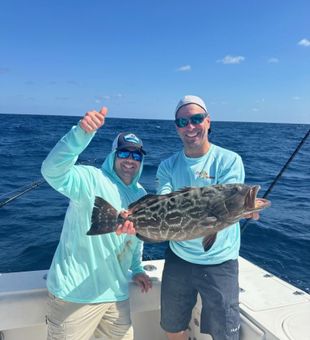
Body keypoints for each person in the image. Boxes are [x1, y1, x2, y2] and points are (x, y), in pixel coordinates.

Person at [41, 107, 152, 340]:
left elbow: (136, 237)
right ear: (113, 155)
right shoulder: (89, 178)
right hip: (74, 296)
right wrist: (80, 134)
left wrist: (138, 268)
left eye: (136, 155)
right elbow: (52, 171)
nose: (130, 160)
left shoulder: (141, 194)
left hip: (116, 294)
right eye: (124, 153)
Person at [155, 95, 258, 340]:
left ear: (208, 121)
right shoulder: (167, 166)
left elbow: (227, 204)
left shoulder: (229, 160)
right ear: (177, 127)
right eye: (183, 121)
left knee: (225, 333)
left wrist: (244, 207)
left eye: (197, 119)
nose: (190, 126)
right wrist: (134, 222)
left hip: (220, 262)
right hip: (178, 259)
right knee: (173, 326)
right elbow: (163, 204)